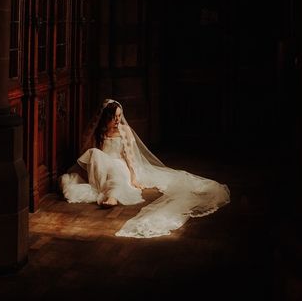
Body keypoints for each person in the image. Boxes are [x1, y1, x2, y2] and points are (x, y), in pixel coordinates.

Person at [60, 98, 230, 238]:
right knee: (94, 153)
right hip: (101, 167)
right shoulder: (100, 132)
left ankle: (111, 196)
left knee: (115, 173)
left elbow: (129, 156)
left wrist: (133, 177)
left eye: (120, 116)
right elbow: (88, 153)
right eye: (114, 117)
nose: (118, 120)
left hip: (121, 167)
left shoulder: (124, 130)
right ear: (106, 118)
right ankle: (103, 188)